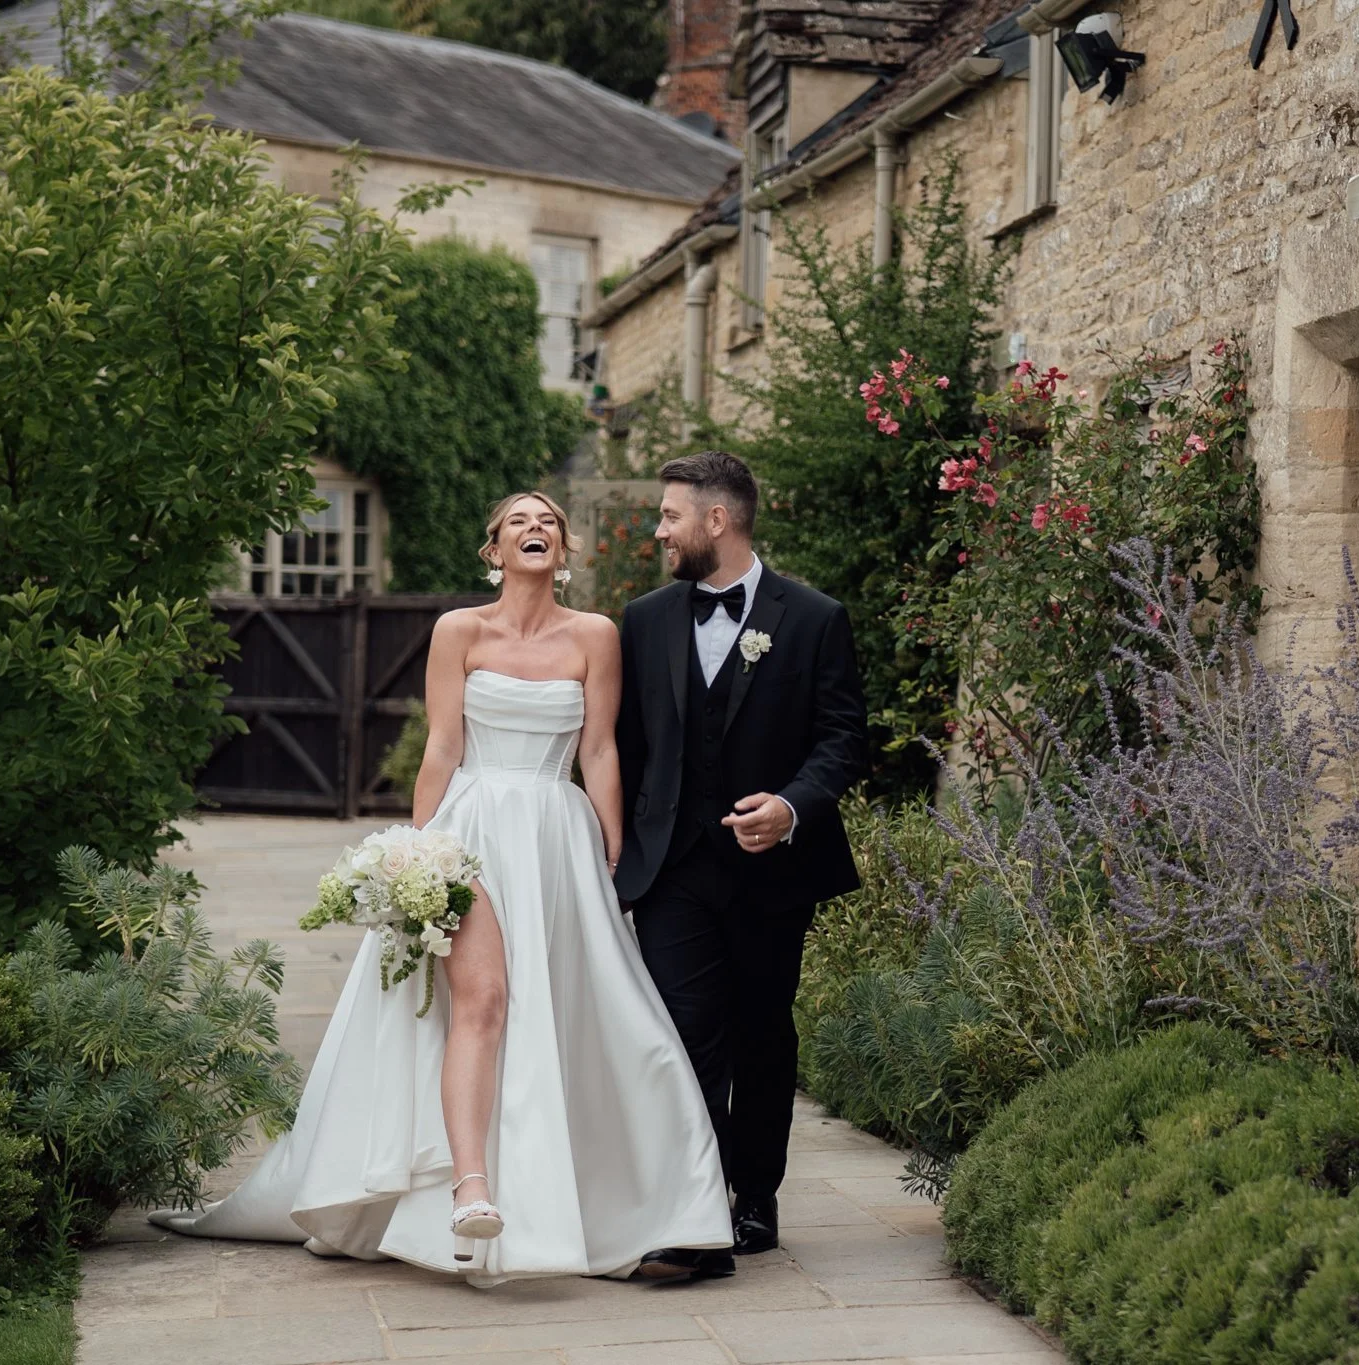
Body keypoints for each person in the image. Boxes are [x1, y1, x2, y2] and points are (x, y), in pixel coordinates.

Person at [149, 491, 732, 1286]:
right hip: (471, 836)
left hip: (557, 842)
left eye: (549, 522)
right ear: (494, 550)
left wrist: (613, 850)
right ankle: (470, 1189)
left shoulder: (596, 635)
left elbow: (599, 749)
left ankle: (601, 1197)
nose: (535, 528)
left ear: (565, 551)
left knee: (576, 1009)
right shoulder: (459, 630)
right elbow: (443, 747)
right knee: (482, 1001)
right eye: (519, 521)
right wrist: (414, 856)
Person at [616, 452, 868, 1281]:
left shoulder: (815, 618)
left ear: (716, 520)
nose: (660, 531)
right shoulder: (643, 620)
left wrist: (792, 806)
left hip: (773, 874)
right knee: (683, 1034)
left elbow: (843, 738)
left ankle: (753, 1194)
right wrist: (616, 846)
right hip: (673, 869)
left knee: (763, 1032)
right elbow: (624, 746)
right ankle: (693, 1206)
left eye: (670, 516)